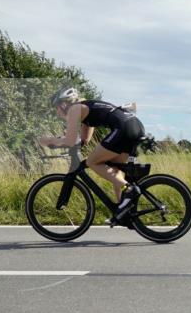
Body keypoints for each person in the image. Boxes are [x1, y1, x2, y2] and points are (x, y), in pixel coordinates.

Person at [38, 87, 145, 222]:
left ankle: (129, 190)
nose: (57, 112)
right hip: (135, 126)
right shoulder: (86, 108)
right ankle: (123, 211)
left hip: (124, 128)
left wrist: (48, 141)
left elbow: (70, 141)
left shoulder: (74, 109)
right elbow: (84, 140)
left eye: (57, 107)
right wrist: (64, 142)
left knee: (92, 162)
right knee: (115, 170)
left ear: (64, 104)